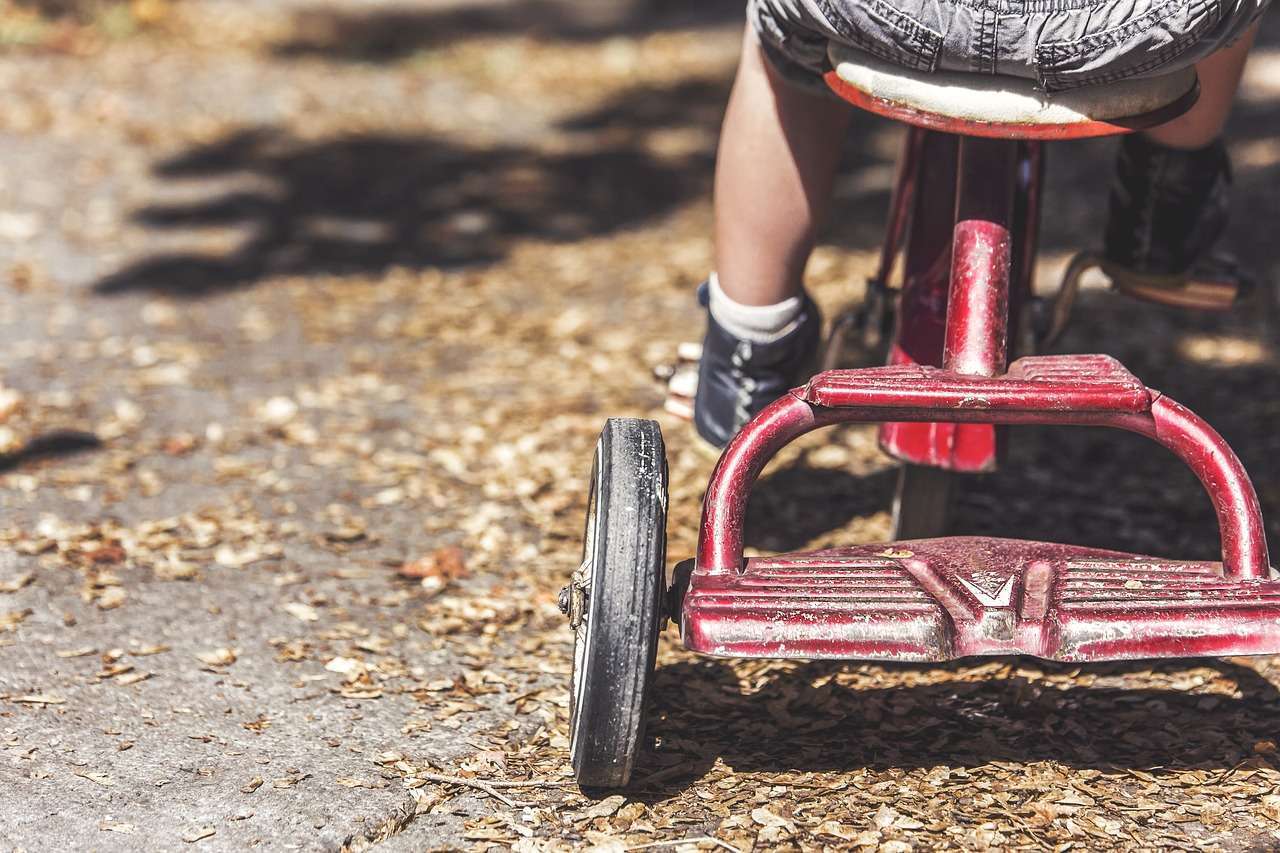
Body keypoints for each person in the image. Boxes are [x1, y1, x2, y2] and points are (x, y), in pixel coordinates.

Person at [692, 0, 1267, 449]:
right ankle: (1160, 224)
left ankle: (749, 342)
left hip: (884, 14)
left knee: (779, 45)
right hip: (1131, 22)